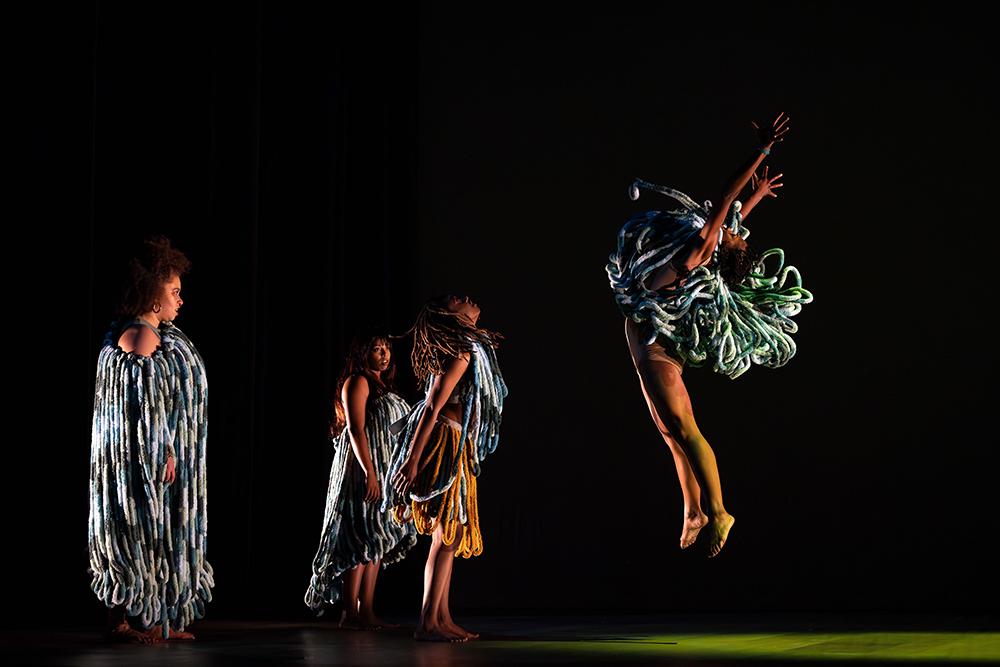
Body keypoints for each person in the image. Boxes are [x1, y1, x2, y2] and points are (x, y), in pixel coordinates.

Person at [607, 113, 813, 557]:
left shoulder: (698, 253)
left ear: (720, 251)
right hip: (645, 341)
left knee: (684, 428)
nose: (736, 233)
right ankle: (693, 511)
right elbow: (734, 217)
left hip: (656, 349)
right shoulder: (710, 249)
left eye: (734, 239)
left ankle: (719, 511)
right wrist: (757, 196)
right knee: (668, 432)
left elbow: (724, 199)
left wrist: (761, 150)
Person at [88, 236, 213, 642]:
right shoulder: (140, 336)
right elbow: (142, 408)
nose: (181, 300)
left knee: (155, 534)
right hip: (139, 462)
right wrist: (164, 449)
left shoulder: (153, 334)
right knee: (135, 530)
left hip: (155, 459)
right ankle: (125, 622)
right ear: (153, 297)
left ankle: (154, 618)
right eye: (174, 292)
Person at [384, 295, 507, 642]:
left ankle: (441, 616)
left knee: (447, 536)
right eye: (456, 300)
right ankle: (427, 621)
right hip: (445, 443)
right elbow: (431, 408)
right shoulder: (458, 353)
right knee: (446, 533)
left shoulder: (465, 349)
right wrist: (412, 459)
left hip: (456, 441)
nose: (465, 298)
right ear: (450, 316)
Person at [304, 332, 416, 629]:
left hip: (384, 469)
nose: (384, 354)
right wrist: (369, 472)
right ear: (363, 352)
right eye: (377, 348)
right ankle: (349, 612)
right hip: (363, 469)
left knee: (377, 536)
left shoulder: (384, 387)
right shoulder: (358, 382)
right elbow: (355, 428)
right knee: (360, 537)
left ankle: (366, 609)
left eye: (387, 349)